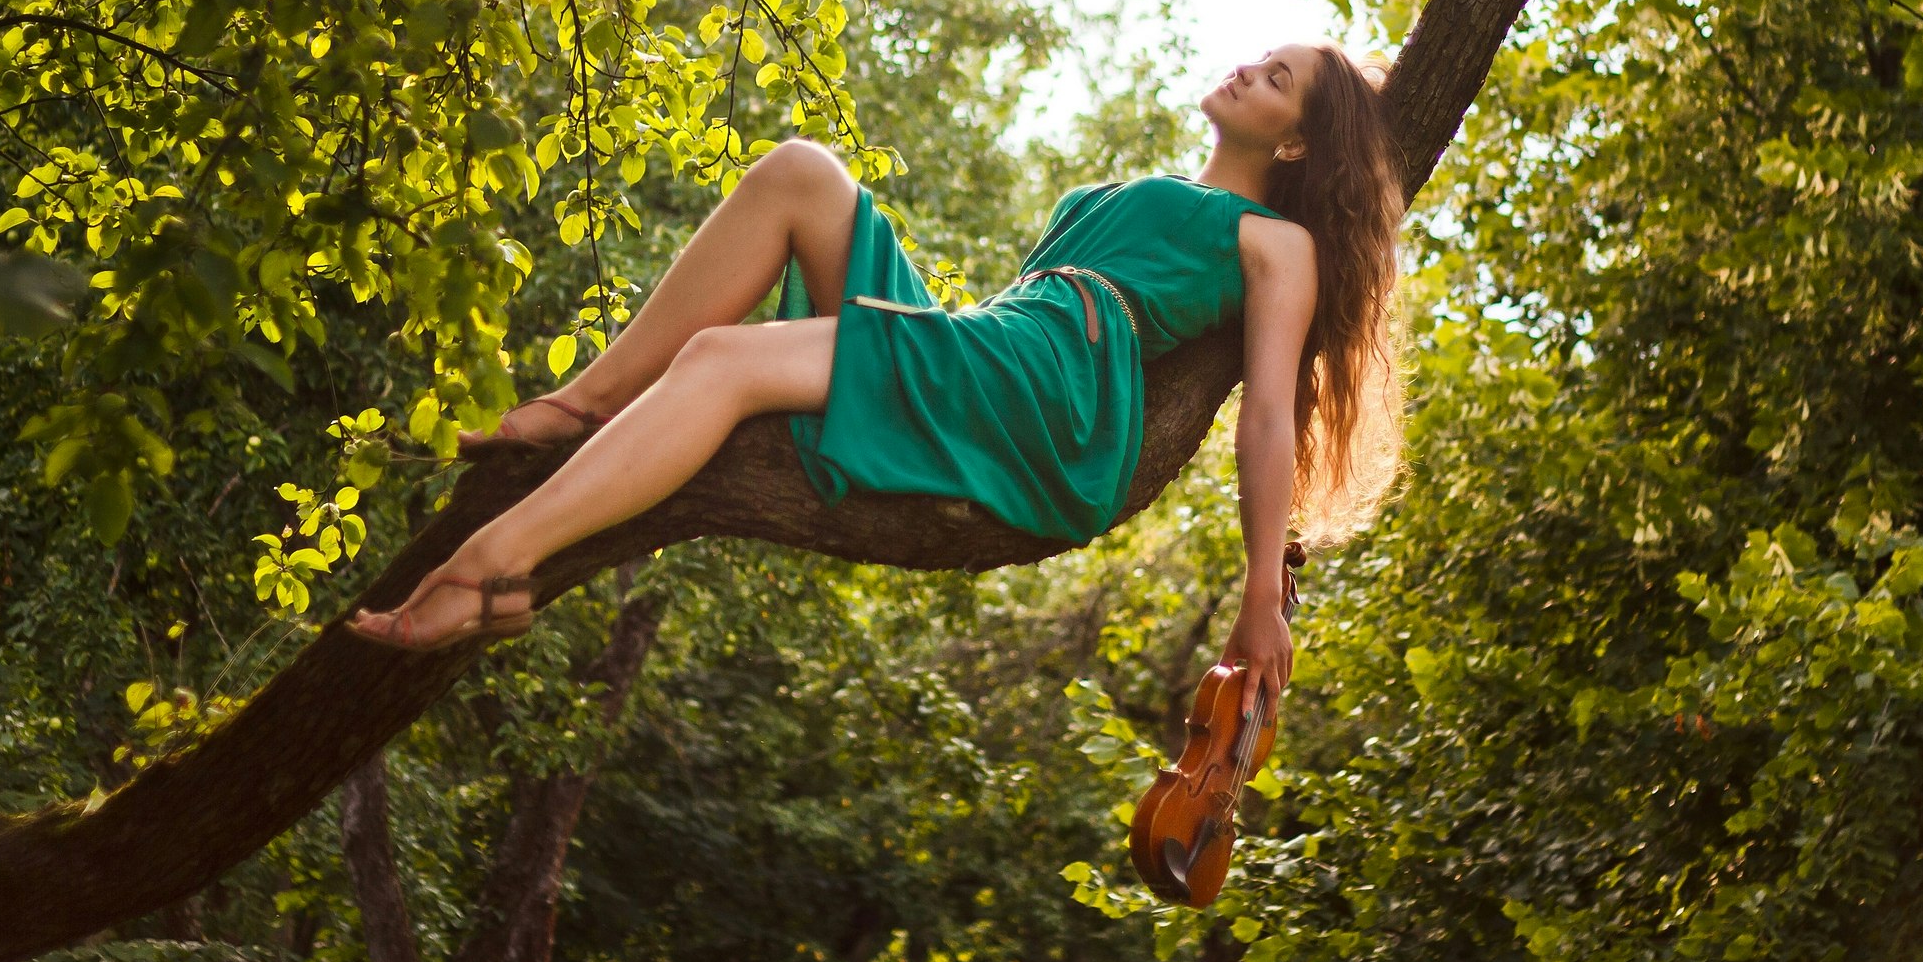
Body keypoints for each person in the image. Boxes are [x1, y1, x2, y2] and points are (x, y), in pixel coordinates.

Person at [350, 42, 1407, 703]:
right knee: (802, 171)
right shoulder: (1152, 192)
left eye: (1278, 82)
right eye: (1258, 58)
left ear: (1301, 143)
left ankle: (493, 567)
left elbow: (1268, 415)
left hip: (1048, 387)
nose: (1246, 71)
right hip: (999, 339)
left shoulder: (1278, 244)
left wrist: (1263, 589)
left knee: (724, 360)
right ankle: (587, 401)